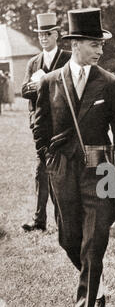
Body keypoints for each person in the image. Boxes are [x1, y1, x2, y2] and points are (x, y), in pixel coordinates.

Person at [33, 8, 115, 307]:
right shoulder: (50, 82)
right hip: (62, 170)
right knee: (68, 238)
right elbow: (40, 126)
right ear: (76, 44)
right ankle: (96, 280)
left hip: (100, 169)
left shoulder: (110, 83)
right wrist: (49, 158)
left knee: (94, 242)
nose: (100, 50)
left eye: (101, 45)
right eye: (95, 44)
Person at [21, 13, 71, 232]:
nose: (43, 37)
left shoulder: (68, 58)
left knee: (63, 173)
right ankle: (39, 220)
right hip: (41, 125)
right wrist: (39, 85)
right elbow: (24, 90)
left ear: (57, 35)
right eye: (40, 34)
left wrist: (44, 84)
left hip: (63, 126)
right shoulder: (33, 63)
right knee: (41, 172)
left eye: (48, 33)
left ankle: (64, 219)